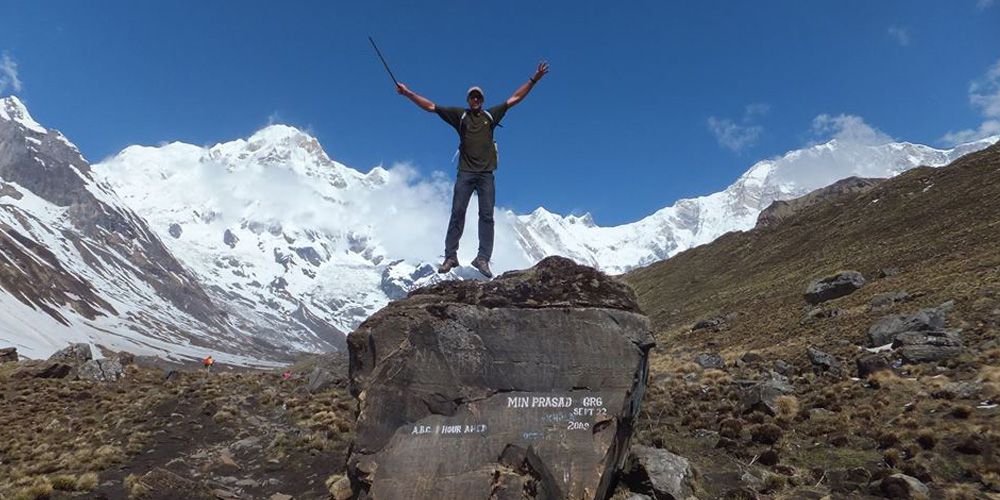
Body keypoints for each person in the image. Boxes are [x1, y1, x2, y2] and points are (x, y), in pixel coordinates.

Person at [396, 61, 549, 278]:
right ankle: (451, 256)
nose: (475, 100)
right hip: (466, 172)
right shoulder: (460, 116)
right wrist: (408, 93)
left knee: (487, 216)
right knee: (457, 213)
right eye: (472, 97)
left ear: (482, 100)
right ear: (468, 100)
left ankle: (483, 259)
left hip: (486, 173)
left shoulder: (490, 115)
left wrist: (534, 80)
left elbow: (515, 99)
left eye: (479, 97)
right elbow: (431, 106)